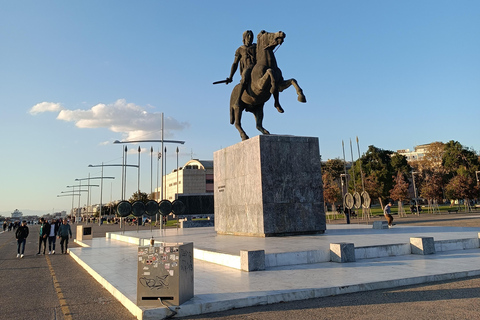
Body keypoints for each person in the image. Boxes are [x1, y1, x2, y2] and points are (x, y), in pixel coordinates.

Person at [226, 30, 257, 109]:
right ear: (244, 38)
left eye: (251, 36)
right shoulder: (240, 49)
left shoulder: (255, 47)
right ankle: (238, 99)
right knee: (244, 77)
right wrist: (230, 77)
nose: (250, 38)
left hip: (256, 68)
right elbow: (235, 64)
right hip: (247, 69)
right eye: (248, 36)